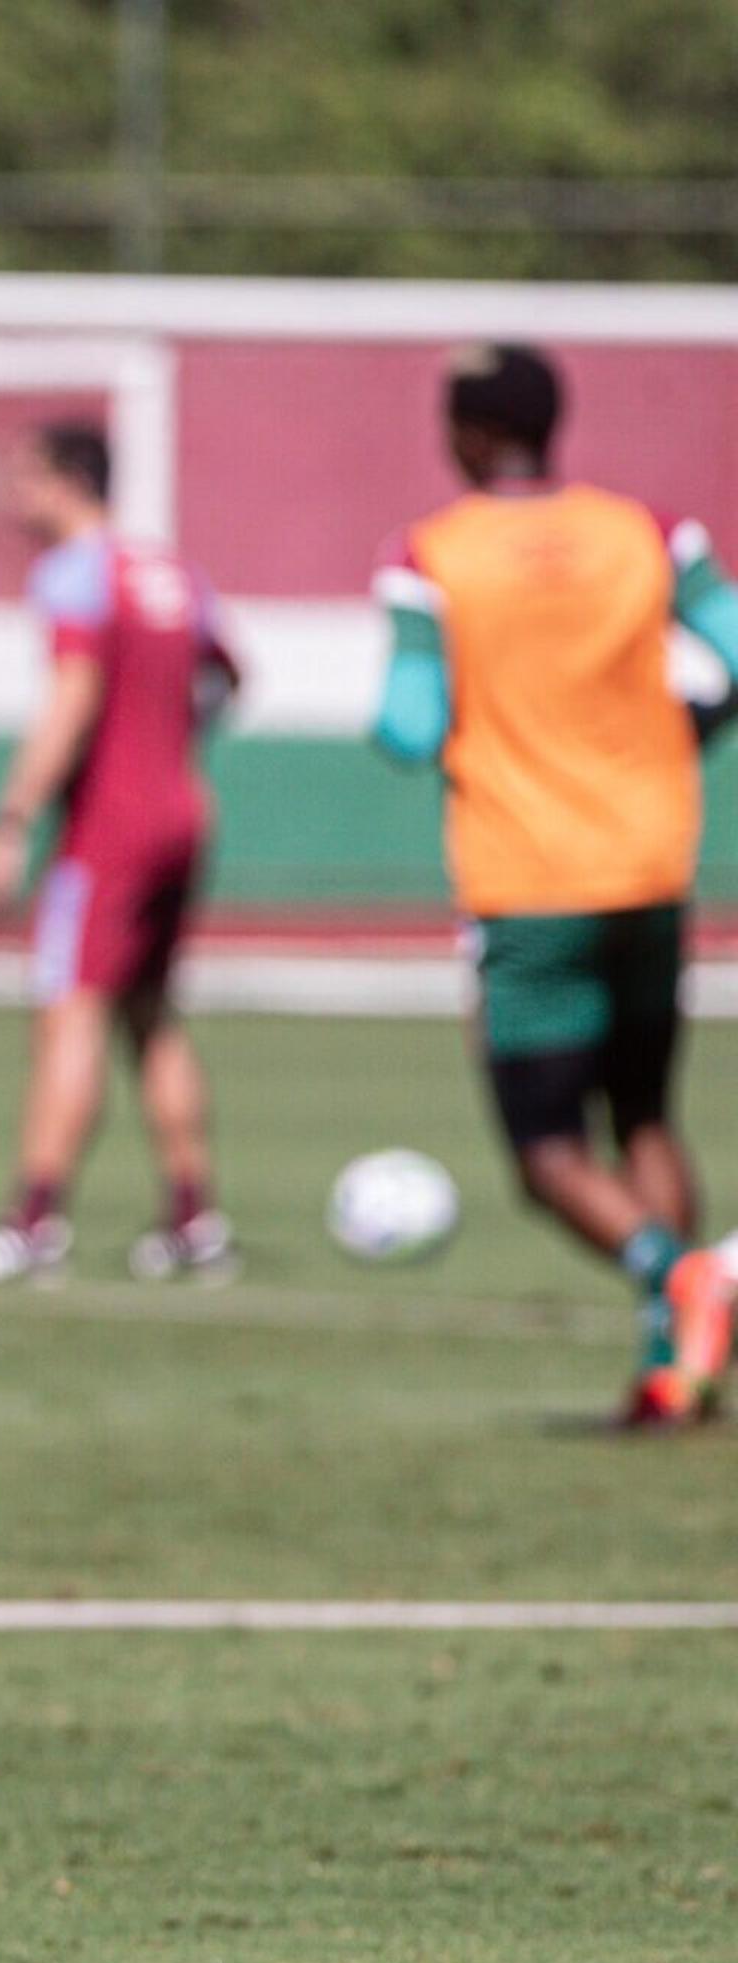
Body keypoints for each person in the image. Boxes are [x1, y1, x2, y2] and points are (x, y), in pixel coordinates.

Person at [371, 343, 738, 1424]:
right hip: (652, 861)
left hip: (529, 880)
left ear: (472, 436)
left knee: (546, 1154)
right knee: (646, 1114)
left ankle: (676, 1274)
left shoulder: (431, 558)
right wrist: (681, 737)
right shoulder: (651, 532)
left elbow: (409, 724)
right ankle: (679, 1367)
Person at [0, 420, 241, 1287]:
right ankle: (194, 1218)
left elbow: (73, 697)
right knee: (150, 1015)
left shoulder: (75, 574)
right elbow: (228, 674)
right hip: (185, 811)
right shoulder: (169, 571)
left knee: (71, 1011)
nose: (17, 499)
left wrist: (11, 820)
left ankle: (34, 1219)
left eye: (28, 479)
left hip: (110, 828)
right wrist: (168, 741)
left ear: (67, 481)